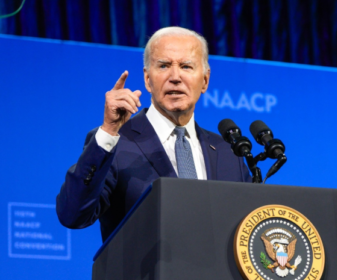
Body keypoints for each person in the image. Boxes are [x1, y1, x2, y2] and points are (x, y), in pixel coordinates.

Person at [56, 27, 251, 242]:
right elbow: (72, 215)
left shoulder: (229, 153)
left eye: (186, 66)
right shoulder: (116, 142)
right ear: (148, 79)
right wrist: (109, 131)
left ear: (205, 80)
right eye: (164, 66)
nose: (175, 77)